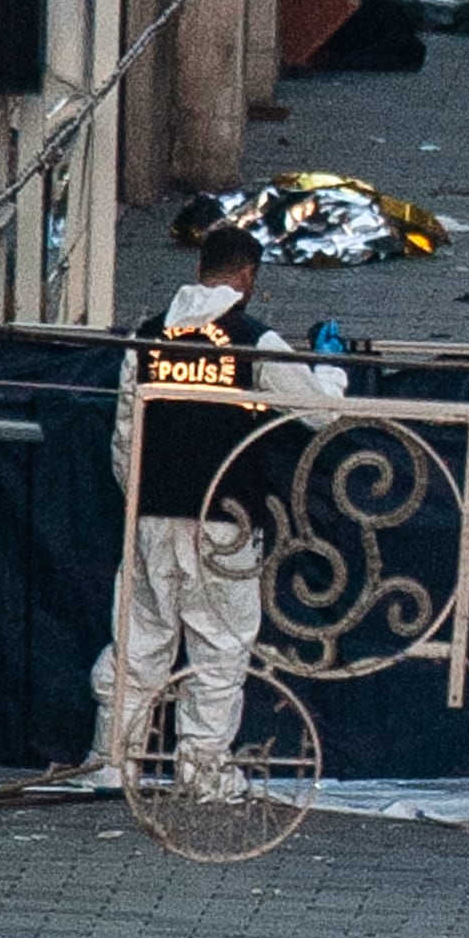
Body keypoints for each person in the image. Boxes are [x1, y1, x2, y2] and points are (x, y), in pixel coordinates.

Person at [95, 225, 348, 793]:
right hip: (225, 521)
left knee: (138, 640)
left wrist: (141, 500)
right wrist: (331, 365)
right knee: (219, 646)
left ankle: (114, 763)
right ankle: (202, 772)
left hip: (153, 514)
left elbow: (124, 437)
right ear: (247, 277)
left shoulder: (149, 337)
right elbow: (319, 413)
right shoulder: (253, 338)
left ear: (199, 268)